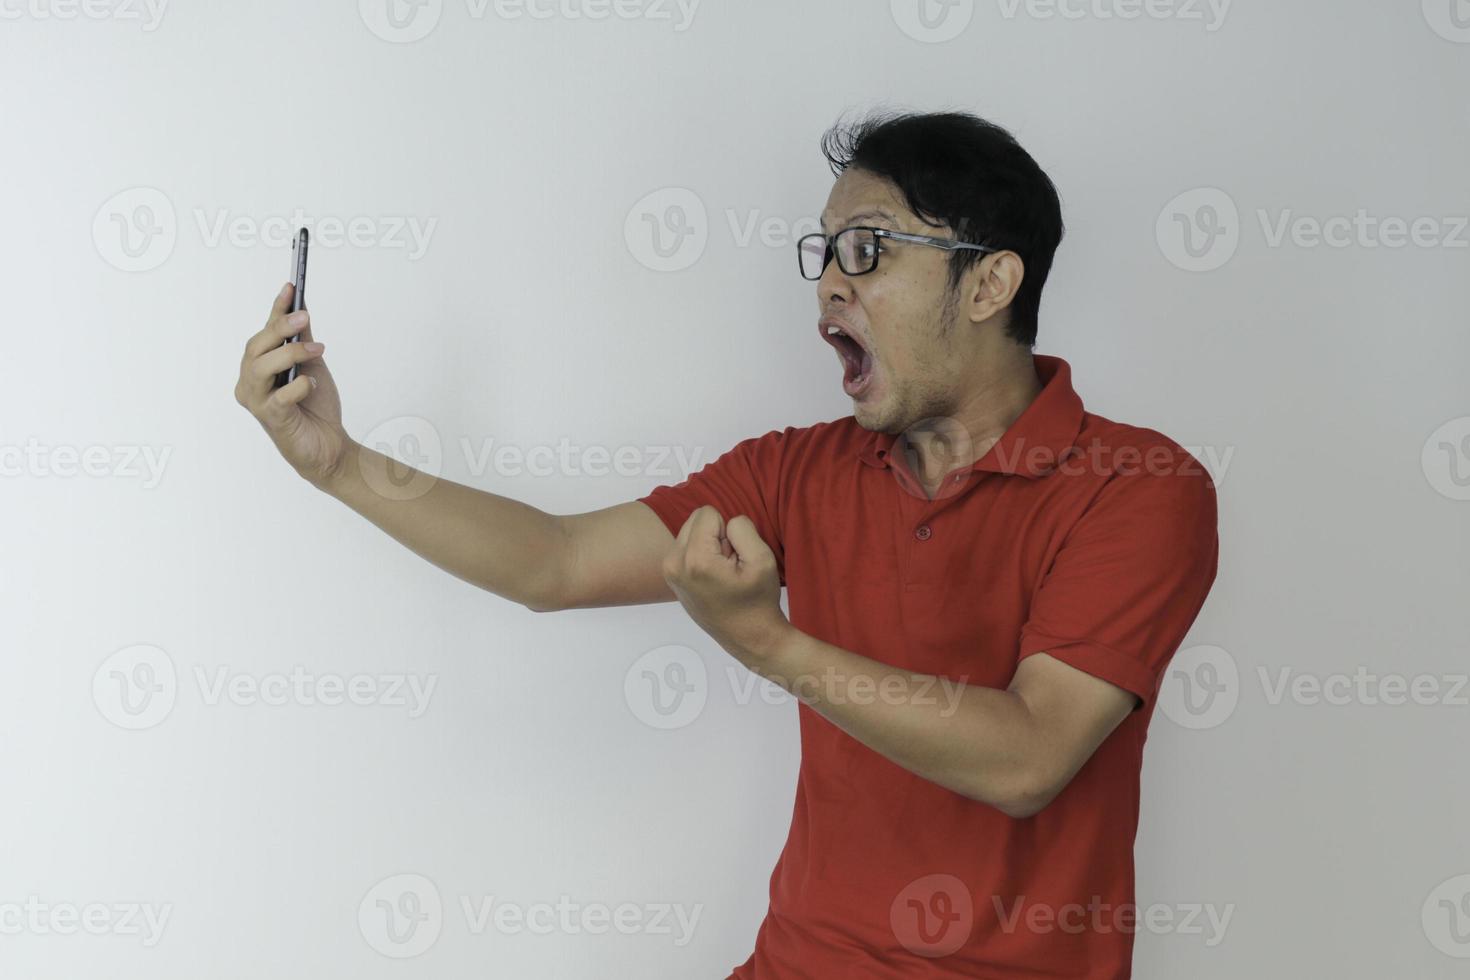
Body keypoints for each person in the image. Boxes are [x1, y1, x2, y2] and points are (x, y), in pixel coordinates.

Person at [234, 109, 1220, 979]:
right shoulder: (800, 472)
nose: (830, 284)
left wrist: (770, 643)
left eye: (868, 250)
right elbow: (555, 560)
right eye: (824, 254)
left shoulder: (1137, 489)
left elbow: (1030, 756)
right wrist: (338, 461)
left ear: (988, 281)